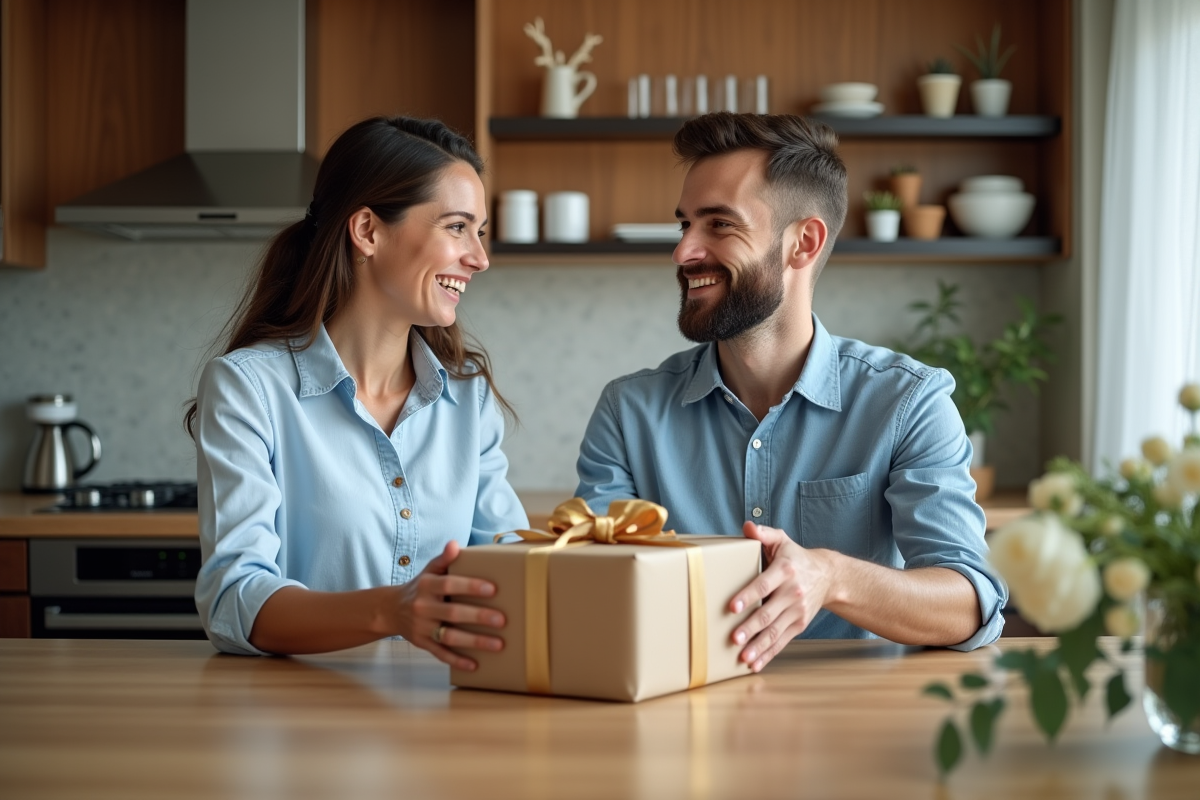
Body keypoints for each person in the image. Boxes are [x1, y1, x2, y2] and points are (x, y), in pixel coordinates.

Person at [575, 112, 1006, 672]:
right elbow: (590, 591)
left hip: (855, 730)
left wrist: (831, 577)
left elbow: (970, 602)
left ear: (803, 243)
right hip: (678, 720)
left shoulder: (907, 403)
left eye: (719, 225)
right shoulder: (629, 412)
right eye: (685, 225)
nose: (684, 252)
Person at [187, 116, 523, 668]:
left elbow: (512, 564)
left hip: (446, 718)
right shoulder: (248, 389)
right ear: (367, 231)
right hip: (301, 722)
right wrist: (393, 611)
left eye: (479, 232)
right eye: (457, 227)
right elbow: (234, 602)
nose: (479, 258)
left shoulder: (468, 400)